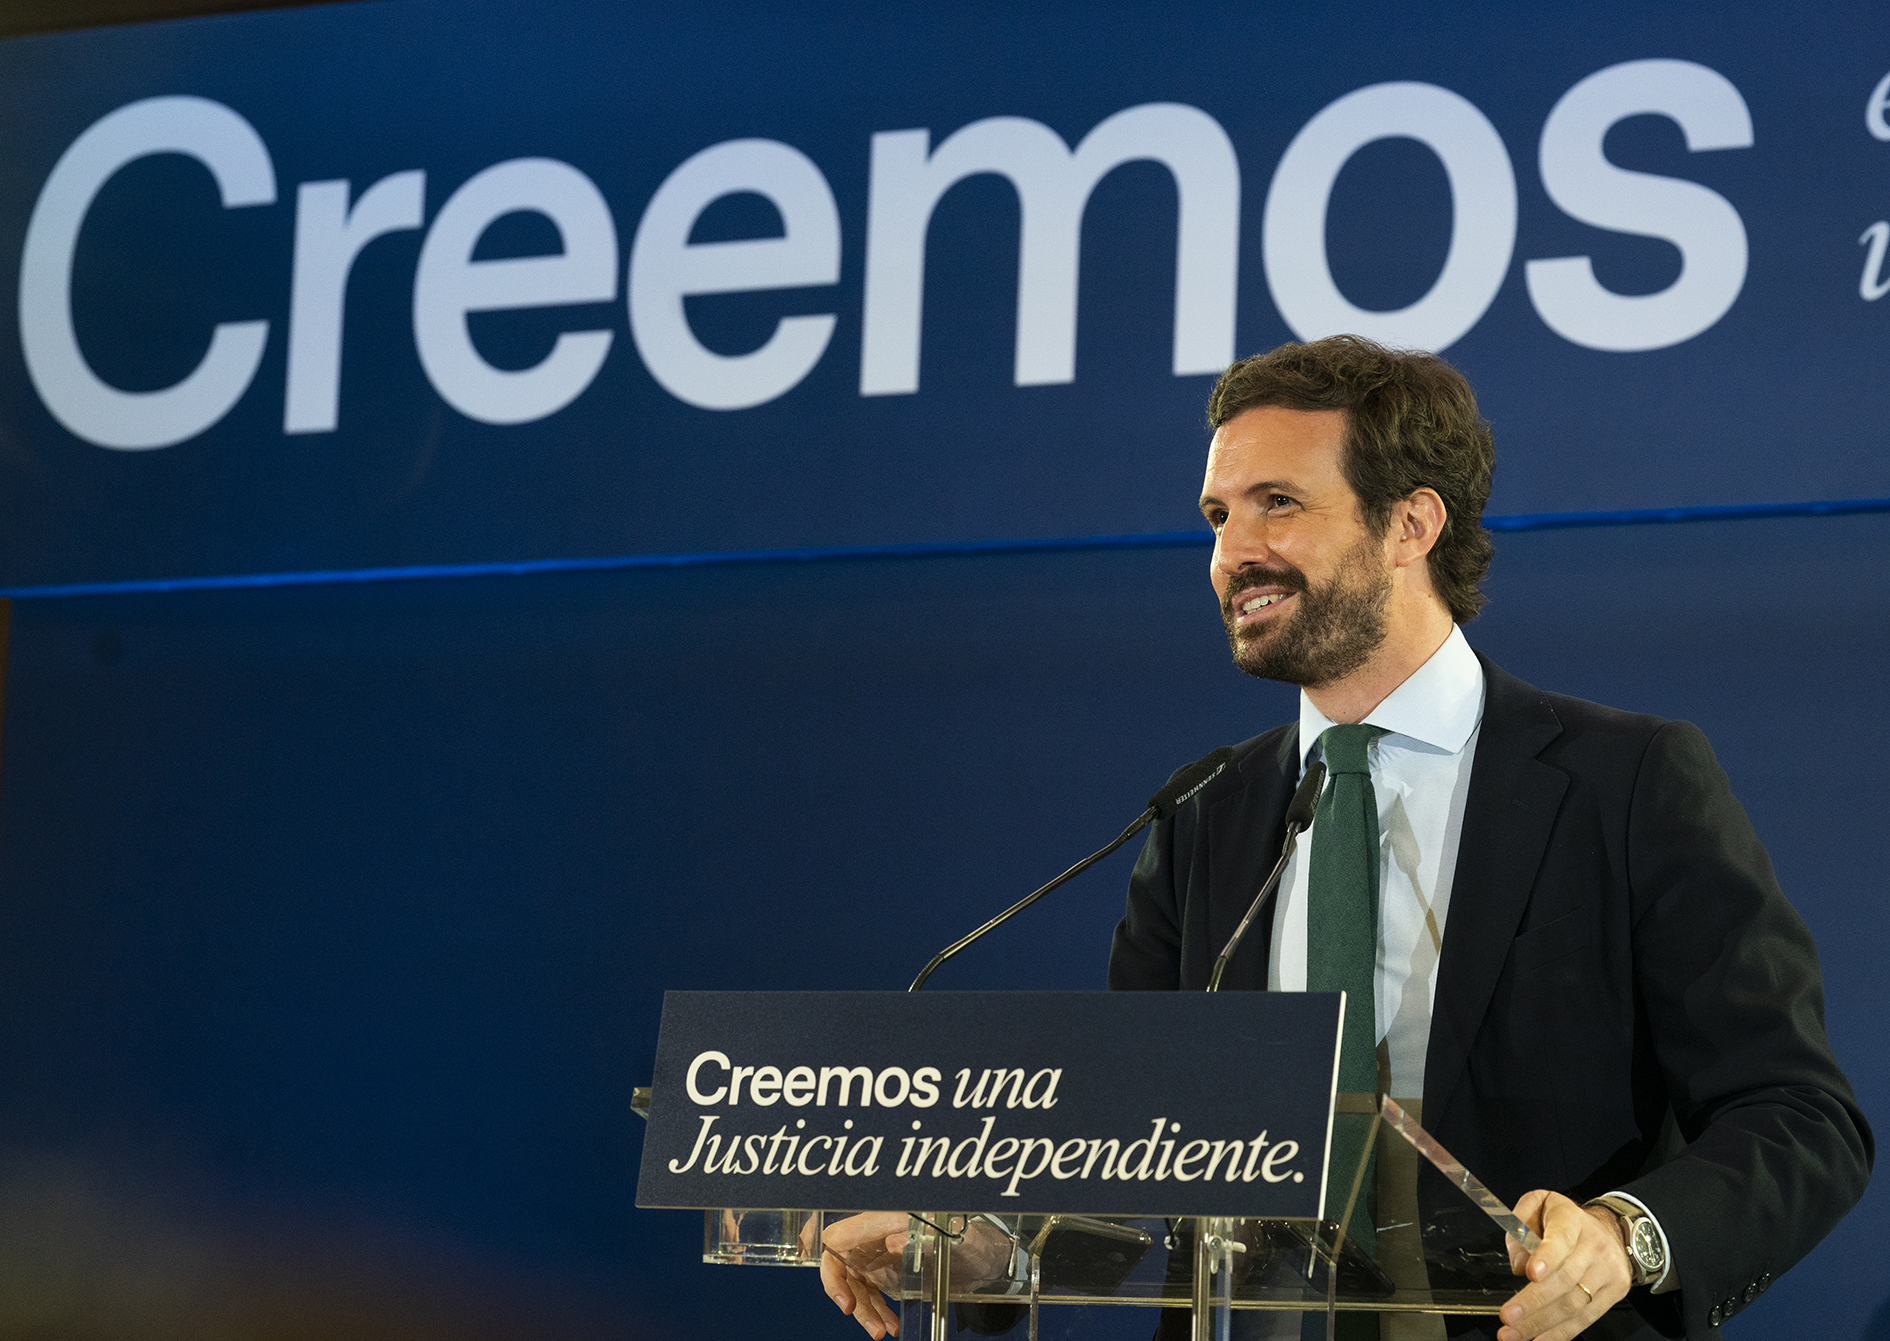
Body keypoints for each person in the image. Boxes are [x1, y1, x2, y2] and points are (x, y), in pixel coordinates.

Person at [821, 336, 1872, 1341]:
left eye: (1278, 503)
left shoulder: (1624, 783)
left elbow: (1799, 1115)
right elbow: (1131, 1156)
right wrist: (981, 1250)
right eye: (1219, 515)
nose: (1233, 553)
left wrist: (1621, 1238)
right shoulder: (1203, 817)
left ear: (1411, 523)